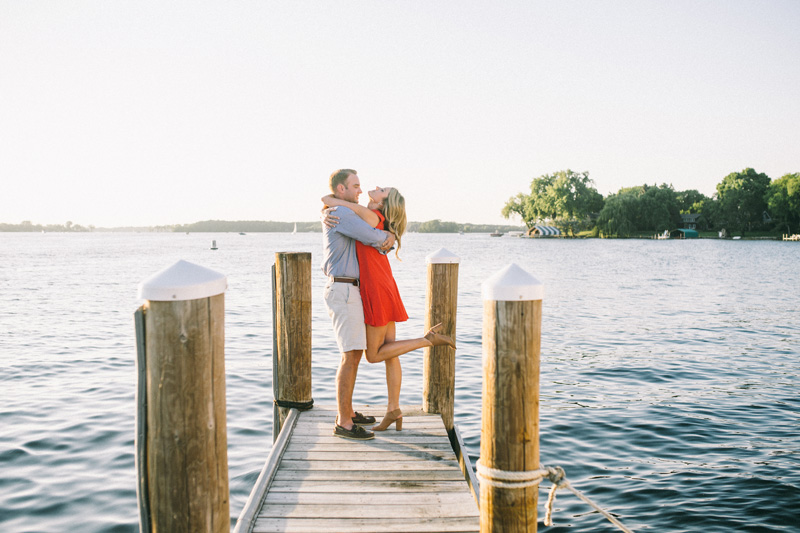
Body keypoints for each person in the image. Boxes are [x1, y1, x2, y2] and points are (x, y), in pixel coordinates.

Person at [322, 182, 455, 433]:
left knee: (374, 355)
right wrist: (327, 206)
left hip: (375, 288)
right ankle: (393, 408)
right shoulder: (371, 215)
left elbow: (347, 208)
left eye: (382, 190)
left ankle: (427, 340)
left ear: (383, 202)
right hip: (384, 283)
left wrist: (329, 205)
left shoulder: (371, 215)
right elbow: (347, 209)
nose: (376, 187)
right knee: (390, 351)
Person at [322, 169, 396, 440]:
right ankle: (344, 422)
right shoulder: (341, 214)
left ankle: (349, 413)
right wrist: (391, 238)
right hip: (343, 288)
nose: (360, 191)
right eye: (355, 186)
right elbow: (374, 237)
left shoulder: (340, 210)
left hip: (349, 288)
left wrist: (390, 237)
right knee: (351, 356)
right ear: (341, 190)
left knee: (353, 355)